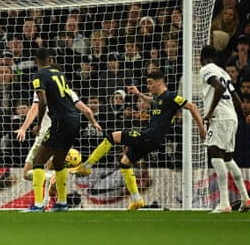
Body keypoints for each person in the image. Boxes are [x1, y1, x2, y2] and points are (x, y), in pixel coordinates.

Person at [70, 70, 207, 211]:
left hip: (150, 136)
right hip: (151, 139)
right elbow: (152, 101)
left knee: (113, 136)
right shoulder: (159, 99)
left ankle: (87, 166)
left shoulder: (170, 97)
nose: (148, 86)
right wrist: (138, 94)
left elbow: (192, 106)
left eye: (150, 83)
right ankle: (137, 200)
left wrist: (201, 127)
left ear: (159, 82)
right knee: (124, 163)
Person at [15, 88, 101, 205]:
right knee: (53, 168)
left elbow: (35, 108)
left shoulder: (42, 90)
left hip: (46, 135)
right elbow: (86, 109)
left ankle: (45, 193)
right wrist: (93, 122)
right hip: (63, 135)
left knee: (28, 172)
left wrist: (24, 128)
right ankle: (49, 202)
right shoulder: (68, 91)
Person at [24, 47, 84, 212]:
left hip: (60, 121)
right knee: (58, 162)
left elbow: (42, 102)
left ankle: (38, 204)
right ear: (50, 59)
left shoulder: (39, 75)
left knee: (38, 162)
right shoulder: (59, 73)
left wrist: (38, 123)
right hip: (74, 119)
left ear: (36, 61)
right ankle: (62, 203)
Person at [199, 45, 250, 213]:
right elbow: (236, 98)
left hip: (220, 116)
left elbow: (219, 88)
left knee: (215, 155)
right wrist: (239, 115)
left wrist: (210, 113)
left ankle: (224, 203)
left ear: (202, 58)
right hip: (231, 116)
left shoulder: (206, 69)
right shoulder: (224, 72)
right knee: (228, 158)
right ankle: (245, 198)